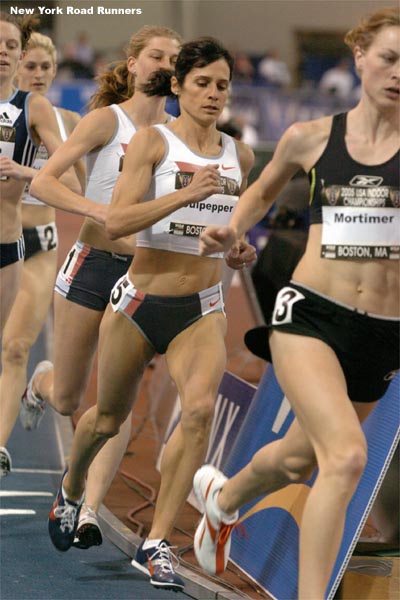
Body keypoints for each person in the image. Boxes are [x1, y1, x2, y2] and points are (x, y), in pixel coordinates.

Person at [193, 7, 399, 600]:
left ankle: (225, 500)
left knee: (296, 459)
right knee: (345, 457)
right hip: (309, 316)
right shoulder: (309, 137)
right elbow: (258, 194)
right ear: (358, 56)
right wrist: (231, 231)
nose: (397, 73)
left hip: (385, 333)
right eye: (388, 58)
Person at [44, 37, 255, 592]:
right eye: (203, 83)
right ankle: (70, 488)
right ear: (179, 87)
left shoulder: (241, 155)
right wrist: (184, 196)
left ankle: (157, 541)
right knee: (105, 419)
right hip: (138, 301)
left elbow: (229, 232)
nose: (213, 94)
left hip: (202, 307)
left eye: (222, 85)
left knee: (200, 410)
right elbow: (117, 223)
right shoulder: (151, 144)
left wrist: (237, 249)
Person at [24, 25, 183, 549]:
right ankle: (40, 383)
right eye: (156, 56)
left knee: (116, 402)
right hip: (93, 262)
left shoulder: (182, 134)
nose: (165, 65)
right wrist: (103, 212)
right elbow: (45, 181)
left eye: (174, 59)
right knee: (70, 395)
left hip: (143, 276)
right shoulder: (104, 121)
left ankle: (86, 507)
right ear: (133, 64)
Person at [0, 31, 83, 477]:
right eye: (28, 65)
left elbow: (78, 186)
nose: (35, 74)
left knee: (14, 347)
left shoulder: (65, 120)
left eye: (43, 68)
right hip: (8, 235)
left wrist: (26, 172)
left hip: (34, 246)